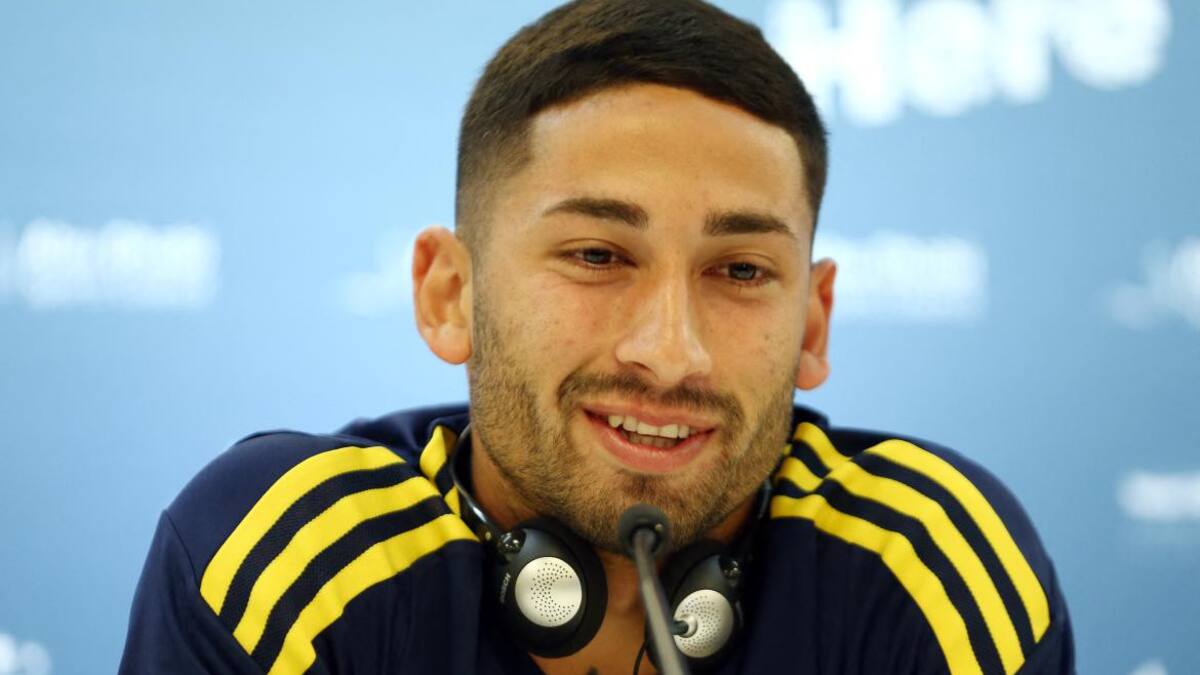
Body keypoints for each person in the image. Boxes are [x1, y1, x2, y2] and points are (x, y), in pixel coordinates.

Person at [119, 0, 1075, 673]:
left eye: (741, 271)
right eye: (597, 255)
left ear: (812, 323)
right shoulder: (294, 564)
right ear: (451, 294)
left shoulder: (927, 568)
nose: (671, 351)